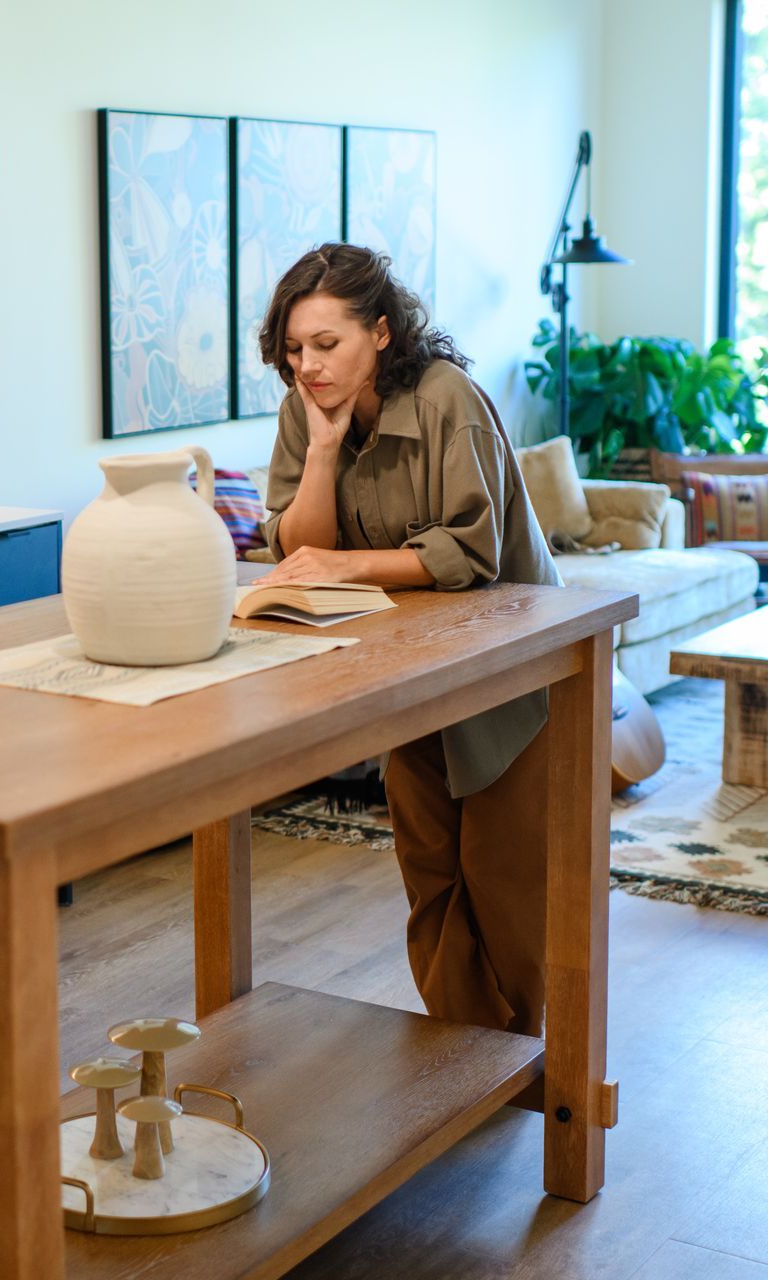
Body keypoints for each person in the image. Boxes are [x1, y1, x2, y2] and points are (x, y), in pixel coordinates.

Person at [254, 242, 561, 1037]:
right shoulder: (304, 411)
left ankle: (534, 1063)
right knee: (429, 873)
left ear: (381, 333)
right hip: (412, 664)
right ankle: (465, 1053)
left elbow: (472, 550)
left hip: (510, 660)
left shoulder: (445, 397)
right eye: (294, 349)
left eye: (327, 344)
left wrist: (349, 566)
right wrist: (321, 450)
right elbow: (299, 550)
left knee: (505, 878)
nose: (308, 366)